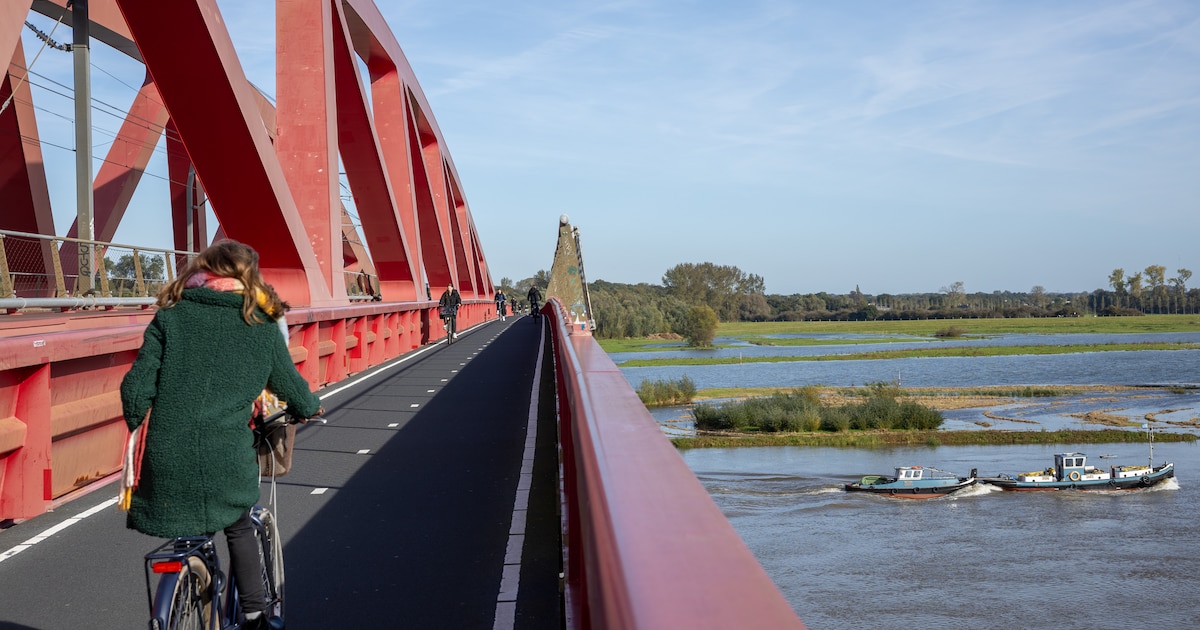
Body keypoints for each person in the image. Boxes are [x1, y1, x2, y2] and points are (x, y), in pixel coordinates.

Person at [119, 240, 323, 630]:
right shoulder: (260, 327)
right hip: (225, 455)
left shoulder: (170, 317)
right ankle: (253, 616)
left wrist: (137, 421)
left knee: (189, 523)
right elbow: (291, 389)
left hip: (166, 452)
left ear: (201, 271)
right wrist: (308, 408)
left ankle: (186, 585)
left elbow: (135, 390)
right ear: (249, 279)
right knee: (238, 524)